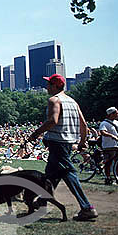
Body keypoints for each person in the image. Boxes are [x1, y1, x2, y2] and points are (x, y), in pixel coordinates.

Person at [28, 73, 98, 221]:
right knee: (51, 175)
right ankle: (42, 201)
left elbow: (53, 120)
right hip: (68, 142)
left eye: (49, 84)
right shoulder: (73, 101)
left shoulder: (54, 100)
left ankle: (87, 208)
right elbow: (84, 125)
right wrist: (82, 142)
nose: (46, 86)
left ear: (56, 86)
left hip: (57, 142)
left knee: (69, 173)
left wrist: (35, 133)